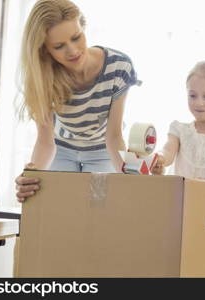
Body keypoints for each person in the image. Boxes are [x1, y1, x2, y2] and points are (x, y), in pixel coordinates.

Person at [15, 0, 139, 202]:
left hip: (102, 148)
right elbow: (46, 142)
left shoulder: (118, 66)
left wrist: (130, 178)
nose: (72, 51)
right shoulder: (44, 76)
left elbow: (114, 137)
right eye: (59, 46)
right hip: (61, 146)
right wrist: (32, 175)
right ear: (45, 50)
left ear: (83, 27)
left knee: (100, 209)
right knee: (54, 205)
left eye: (76, 37)